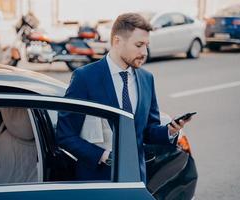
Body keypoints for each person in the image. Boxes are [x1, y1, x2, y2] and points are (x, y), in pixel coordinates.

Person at [56, 12, 191, 183]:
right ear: (117, 41)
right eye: (139, 45)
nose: (145, 52)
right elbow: (65, 135)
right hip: (97, 181)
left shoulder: (146, 79)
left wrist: (170, 131)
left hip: (136, 178)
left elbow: (147, 131)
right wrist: (103, 156)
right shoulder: (85, 78)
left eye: (146, 45)